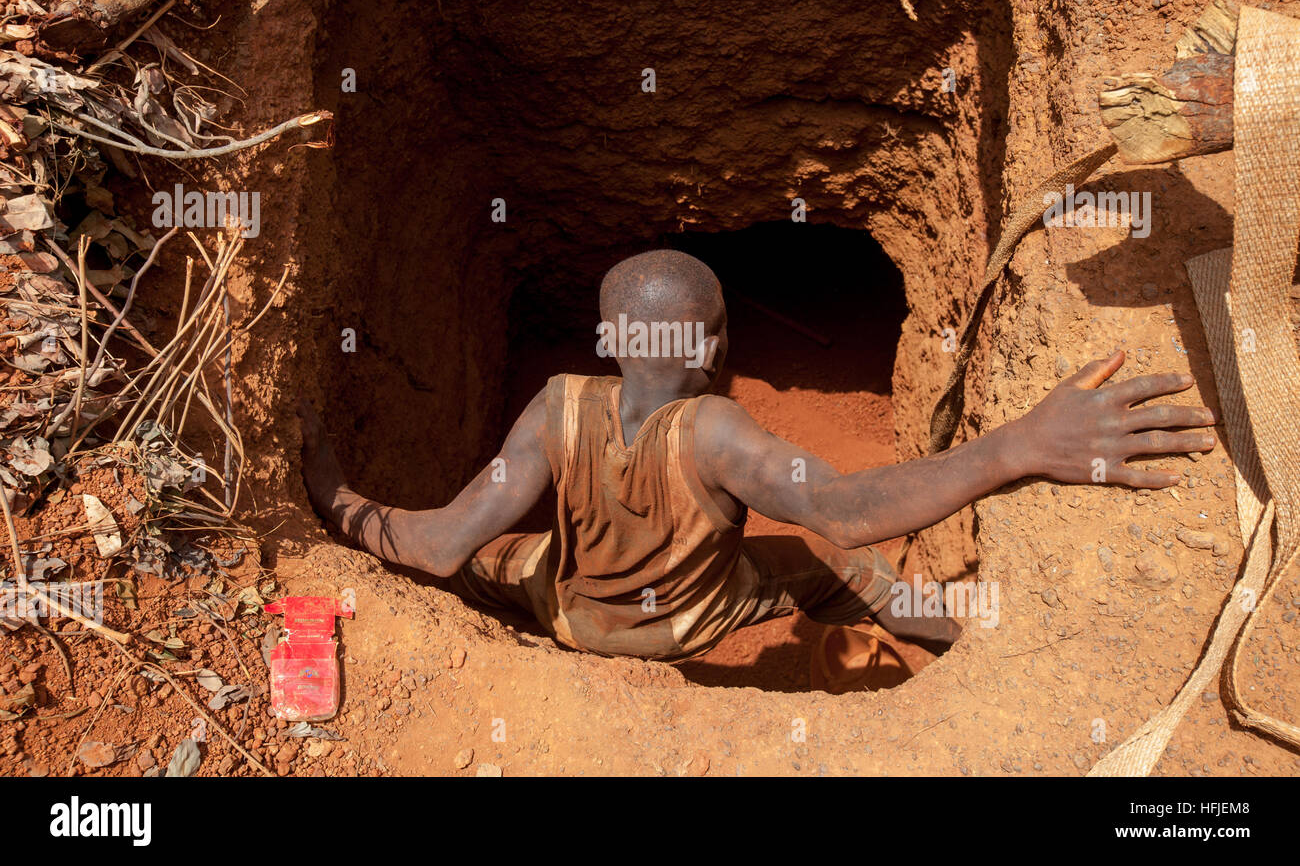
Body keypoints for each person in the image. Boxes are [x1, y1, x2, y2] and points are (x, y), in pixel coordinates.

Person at [300, 250, 1217, 675]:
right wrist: (1019, 443)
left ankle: (526, 623)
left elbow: (440, 545)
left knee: (498, 561)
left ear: (612, 339)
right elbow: (848, 508)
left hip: (575, 614)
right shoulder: (719, 433)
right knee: (834, 565)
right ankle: (959, 652)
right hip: (688, 621)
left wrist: (339, 497)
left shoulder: (552, 408)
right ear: (717, 344)